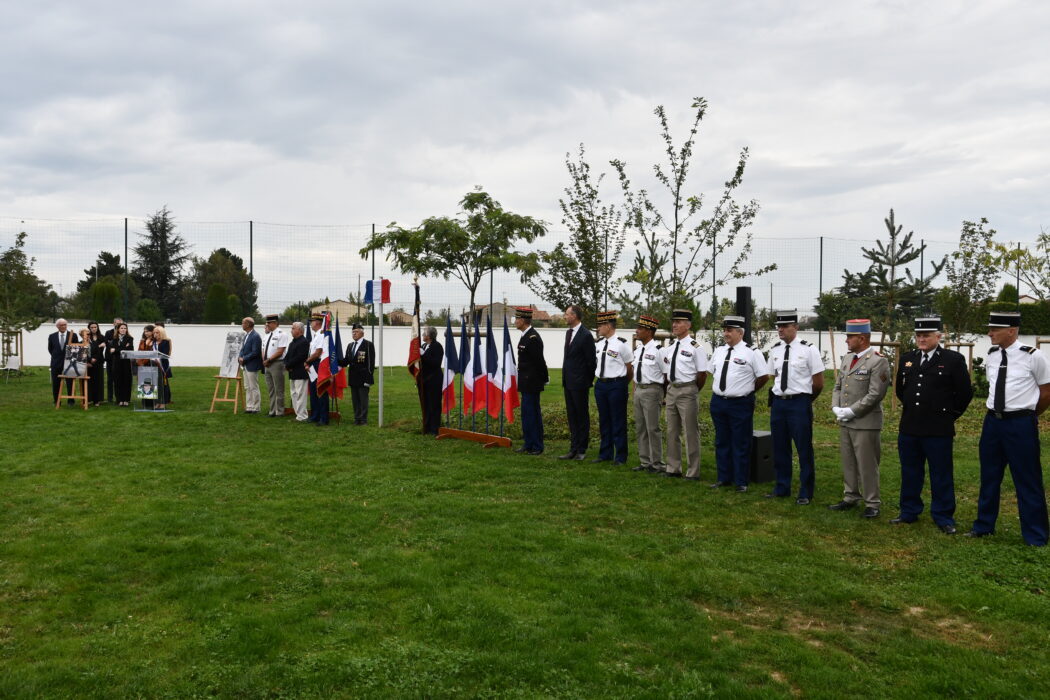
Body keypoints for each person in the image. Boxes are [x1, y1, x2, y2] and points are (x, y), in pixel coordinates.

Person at [967, 311, 1050, 546]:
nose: (989, 333)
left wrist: (1030, 415)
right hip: (992, 422)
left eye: (995, 329)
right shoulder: (992, 355)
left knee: (1027, 478)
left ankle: (1035, 535)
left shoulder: (1034, 357)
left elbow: (1046, 392)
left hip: (1020, 424)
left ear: (1011, 331)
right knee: (989, 476)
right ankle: (984, 526)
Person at [892, 317, 972, 534]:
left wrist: (949, 416)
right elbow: (901, 390)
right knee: (910, 472)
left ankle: (943, 516)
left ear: (938, 336)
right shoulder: (908, 359)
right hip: (910, 427)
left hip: (938, 429)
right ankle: (909, 511)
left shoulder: (953, 359)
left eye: (926, 335)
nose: (921, 339)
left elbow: (964, 393)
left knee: (941, 474)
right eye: (918, 335)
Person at [828, 319, 891, 518]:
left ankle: (872, 502)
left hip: (865, 422)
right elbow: (838, 386)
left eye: (850, 337)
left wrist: (852, 411)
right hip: (846, 420)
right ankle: (850, 496)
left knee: (867, 464)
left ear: (862, 338)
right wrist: (836, 407)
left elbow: (875, 394)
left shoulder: (877, 361)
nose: (846, 340)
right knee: (848, 461)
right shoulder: (848, 358)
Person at [765, 310, 825, 505]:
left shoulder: (809, 349)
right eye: (778, 326)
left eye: (785, 326)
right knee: (779, 447)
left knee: (803, 448)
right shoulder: (775, 349)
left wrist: (805, 401)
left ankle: (806, 491)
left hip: (799, 402)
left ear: (796, 328)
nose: (780, 330)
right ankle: (782, 487)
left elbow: (818, 383)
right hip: (779, 403)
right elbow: (772, 376)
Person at [709, 316, 768, 492]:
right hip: (719, 402)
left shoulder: (752, 352)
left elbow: (763, 376)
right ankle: (723, 478)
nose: (725, 333)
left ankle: (741, 481)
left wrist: (747, 390)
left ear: (740, 333)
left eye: (729, 330)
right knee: (722, 441)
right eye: (724, 330)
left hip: (740, 403)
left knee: (740, 442)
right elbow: (713, 372)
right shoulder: (719, 351)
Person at [661, 309, 708, 479]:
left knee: (690, 432)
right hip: (672, 390)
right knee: (672, 430)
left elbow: (702, 374)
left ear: (688, 325)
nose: (675, 325)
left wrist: (693, 390)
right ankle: (673, 468)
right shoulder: (671, 347)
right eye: (674, 322)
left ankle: (693, 471)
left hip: (688, 390)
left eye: (679, 322)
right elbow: (667, 371)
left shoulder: (696, 347)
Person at [592, 310, 632, 465]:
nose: (598, 328)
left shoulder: (621, 345)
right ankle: (605, 453)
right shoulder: (599, 344)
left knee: (618, 421)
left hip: (616, 384)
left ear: (608, 325)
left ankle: (621, 456)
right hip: (601, 385)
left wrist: (621, 384)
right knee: (604, 420)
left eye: (600, 325)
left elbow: (630, 368)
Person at [559, 304, 597, 460]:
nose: (565, 316)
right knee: (572, 416)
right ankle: (573, 448)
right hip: (568, 382)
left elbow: (591, 362)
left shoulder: (586, 335)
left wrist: (586, 380)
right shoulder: (569, 333)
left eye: (567, 314)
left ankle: (581, 449)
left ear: (574, 316)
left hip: (580, 383)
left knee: (581, 416)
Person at [631, 314, 666, 474]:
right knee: (640, 428)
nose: (637, 331)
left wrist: (663, 394)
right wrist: (634, 390)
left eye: (640, 328)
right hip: (639, 390)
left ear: (649, 331)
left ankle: (657, 463)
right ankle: (645, 462)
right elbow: (635, 372)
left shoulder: (659, 350)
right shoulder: (638, 350)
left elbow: (666, 375)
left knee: (653, 428)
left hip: (652, 390)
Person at [514, 307, 548, 455]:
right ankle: (528, 443)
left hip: (532, 382)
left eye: (517, 319)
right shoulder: (525, 336)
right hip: (525, 382)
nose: (515, 322)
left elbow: (539, 361)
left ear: (522, 320)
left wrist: (544, 378)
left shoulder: (533, 338)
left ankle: (537, 445)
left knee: (533, 414)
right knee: (526, 414)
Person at [341, 322, 376, 425]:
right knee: (355, 400)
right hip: (353, 377)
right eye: (353, 332)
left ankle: (363, 419)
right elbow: (346, 360)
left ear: (362, 333)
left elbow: (370, 363)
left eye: (356, 332)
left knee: (363, 399)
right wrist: (336, 361)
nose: (354, 334)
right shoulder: (350, 345)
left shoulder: (368, 345)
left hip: (363, 377)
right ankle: (357, 418)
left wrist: (368, 378)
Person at [261, 314, 289, 418]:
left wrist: (269, 360)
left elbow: (280, 351)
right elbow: (263, 349)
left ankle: (280, 411)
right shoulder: (268, 335)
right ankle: (272, 410)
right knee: (271, 389)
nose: (267, 324)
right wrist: (264, 360)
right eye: (267, 323)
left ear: (275, 323)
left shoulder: (282, 334)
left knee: (279, 389)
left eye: (269, 322)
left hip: (277, 363)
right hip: (267, 364)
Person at [47, 318, 79, 404]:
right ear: (57, 326)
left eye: (65, 325)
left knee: (70, 382)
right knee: (56, 383)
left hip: (69, 363)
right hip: (56, 363)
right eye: (61, 325)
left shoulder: (73, 335)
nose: (64, 326)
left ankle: (71, 400)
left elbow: (76, 349)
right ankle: (57, 401)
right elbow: (50, 349)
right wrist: (57, 357)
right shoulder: (52, 336)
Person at [284, 321, 310, 422]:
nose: (291, 330)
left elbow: (300, 357)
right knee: (294, 394)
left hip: (300, 372)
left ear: (299, 330)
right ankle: (298, 414)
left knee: (300, 395)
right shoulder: (292, 342)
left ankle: (302, 416)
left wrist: (288, 365)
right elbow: (287, 356)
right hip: (292, 372)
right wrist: (286, 364)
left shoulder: (304, 342)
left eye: (293, 328)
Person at [419, 325, 443, 435]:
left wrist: (423, 355)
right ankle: (427, 426)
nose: (423, 335)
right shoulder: (423, 345)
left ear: (429, 336)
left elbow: (436, 363)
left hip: (434, 380)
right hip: (424, 380)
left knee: (434, 404)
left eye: (424, 334)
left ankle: (435, 428)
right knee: (426, 404)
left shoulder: (437, 346)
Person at [306, 314, 329, 425]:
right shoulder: (316, 335)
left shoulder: (321, 334)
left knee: (321, 390)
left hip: (318, 364)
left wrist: (307, 361)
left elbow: (318, 352)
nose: (311, 323)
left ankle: (323, 418)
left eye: (312, 321)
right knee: (314, 391)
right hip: (313, 364)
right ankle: (315, 415)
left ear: (318, 322)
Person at [238, 317, 263, 414]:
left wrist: (244, 358)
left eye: (243, 323)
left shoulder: (255, 336)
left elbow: (255, 352)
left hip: (252, 365)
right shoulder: (246, 335)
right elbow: (243, 349)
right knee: (247, 387)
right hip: (245, 365)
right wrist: (240, 357)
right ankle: (249, 406)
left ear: (248, 324)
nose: (242, 324)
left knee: (253, 387)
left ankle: (256, 407)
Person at [107, 322, 134, 406]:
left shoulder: (130, 338)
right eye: (121, 328)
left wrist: (116, 350)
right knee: (117, 381)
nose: (123, 330)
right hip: (116, 363)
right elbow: (111, 351)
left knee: (126, 381)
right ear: (118, 329)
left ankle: (126, 400)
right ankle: (119, 399)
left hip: (126, 363)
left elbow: (129, 349)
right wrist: (122, 348)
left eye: (125, 328)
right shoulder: (114, 339)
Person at [83, 321, 106, 406]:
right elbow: (85, 350)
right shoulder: (86, 337)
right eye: (92, 327)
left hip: (98, 362)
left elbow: (100, 351)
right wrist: (89, 360)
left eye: (95, 327)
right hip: (88, 363)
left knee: (98, 381)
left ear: (97, 327)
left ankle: (97, 400)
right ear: (89, 328)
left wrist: (95, 358)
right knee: (89, 381)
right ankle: (89, 399)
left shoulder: (102, 337)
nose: (93, 329)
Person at [152, 326, 173, 408]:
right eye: (154, 333)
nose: (155, 334)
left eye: (157, 332)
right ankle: (157, 401)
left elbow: (165, 353)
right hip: (154, 364)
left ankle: (164, 402)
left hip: (162, 365)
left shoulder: (165, 342)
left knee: (163, 384)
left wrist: (156, 355)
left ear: (161, 333)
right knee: (156, 384)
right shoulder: (153, 342)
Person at [103, 317, 123, 403]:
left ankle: (120, 397)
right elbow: (108, 344)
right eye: (117, 323)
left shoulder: (124, 333)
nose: (118, 325)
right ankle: (110, 398)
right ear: (113, 324)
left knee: (119, 379)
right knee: (110, 379)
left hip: (120, 359)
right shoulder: (108, 333)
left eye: (120, 323)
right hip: (110, 359)